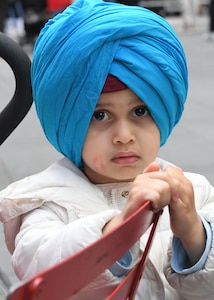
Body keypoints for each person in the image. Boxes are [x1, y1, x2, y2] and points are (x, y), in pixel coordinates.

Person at [0, 0, 214, 299]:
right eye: (100, 115)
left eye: (140, 111)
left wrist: (194, 231)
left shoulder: (196, 190)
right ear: (67, 121)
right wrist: (118, 231)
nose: (124, 136)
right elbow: (39, 270)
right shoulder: (43, 202)